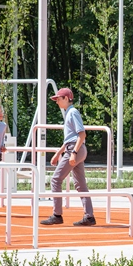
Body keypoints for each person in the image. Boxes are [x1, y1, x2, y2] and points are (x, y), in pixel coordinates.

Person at [40, 87, 96, 226]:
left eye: (58, 99)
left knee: (55, 180)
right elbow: (70, 138)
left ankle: (57, 215)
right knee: (80, 184)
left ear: (66, 98)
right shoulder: (69, 113)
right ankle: (89, 217)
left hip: (75, 149)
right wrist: (58, 153)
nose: (57, 101)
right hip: (73, 148)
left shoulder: (73, 112)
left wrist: (73, 154)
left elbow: (81, 134)